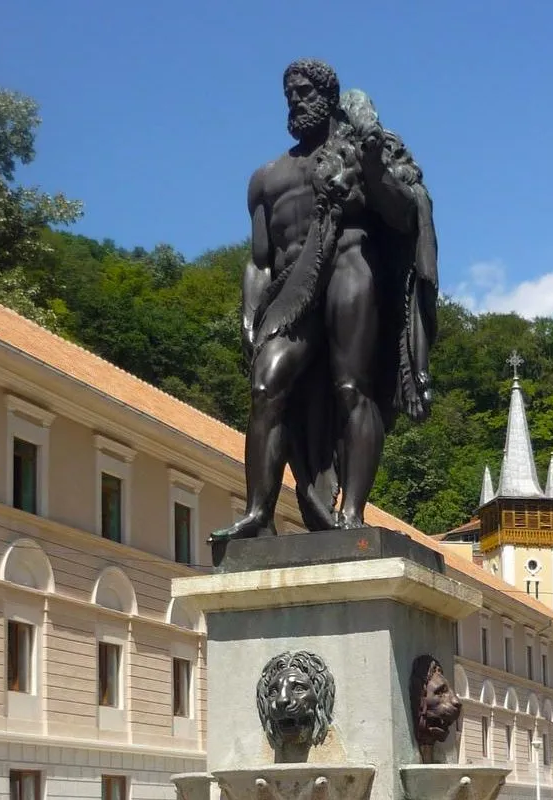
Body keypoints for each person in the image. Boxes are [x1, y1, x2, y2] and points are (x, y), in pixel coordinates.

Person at [209, 59, 438, 543]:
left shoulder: (358, 149)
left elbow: (403, 214)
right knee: (266, 386)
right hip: (289, 288)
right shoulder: (266, 178)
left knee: (352, 387)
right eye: (289, 93)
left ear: (330, 98)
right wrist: (250, 315)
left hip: (350, 264)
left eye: (306, 92)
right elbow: (260, 260)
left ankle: (352, 511)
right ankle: (259, 513)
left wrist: (373, 162)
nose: (296, 100)